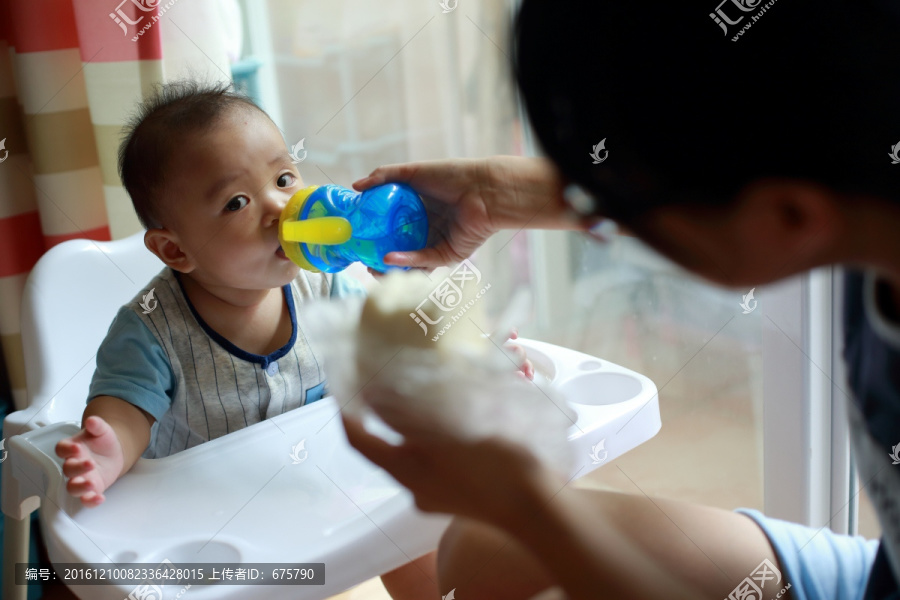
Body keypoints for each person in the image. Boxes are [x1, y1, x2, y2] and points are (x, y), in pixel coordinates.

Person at [342, 0, 900, 599]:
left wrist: (525, 503)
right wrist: (491, 193)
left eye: (631, 214)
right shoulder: (860, 191)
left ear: (791, 214)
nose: (607, 223)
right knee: (483, 551)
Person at [52, 80, 436, 600]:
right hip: (208, 524)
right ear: (175, 249)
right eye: (237, 202)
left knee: (414, 530)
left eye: (283, 177)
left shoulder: (322, 283)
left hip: (313, 485)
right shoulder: (150, 328)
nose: (280, 208)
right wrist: (107, 451)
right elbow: (124, 409)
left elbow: (387, 345)